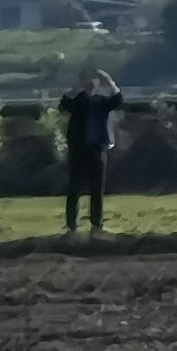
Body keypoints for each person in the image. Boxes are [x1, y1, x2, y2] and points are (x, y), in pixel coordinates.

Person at [57, 69, 136, 234]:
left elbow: (118, 99)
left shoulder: (101, 102)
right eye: (88, 81)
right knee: (74, 188)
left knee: (97, 189)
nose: (92, 83)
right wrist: (75, 89)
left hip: (96, 149)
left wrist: (110, 82)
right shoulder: (78, 101)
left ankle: (96, 225)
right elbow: (63, 105)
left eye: (94, 81)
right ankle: (71, 226)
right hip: (78, 149)